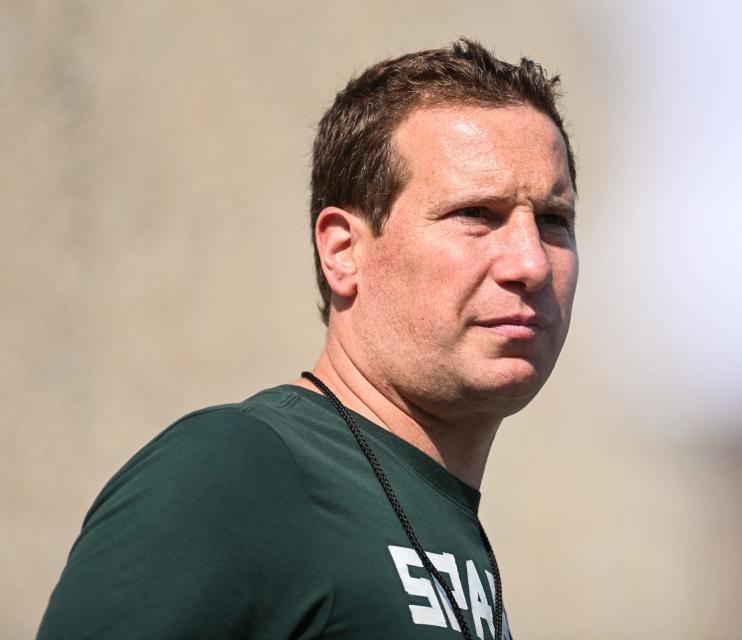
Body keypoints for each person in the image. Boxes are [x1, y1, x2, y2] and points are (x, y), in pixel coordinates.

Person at [38, 39, 578, 640]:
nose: (530, 262)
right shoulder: (233, 471)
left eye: (554, 220)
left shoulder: (451, 529)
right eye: (477, 214)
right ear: (343, 251)